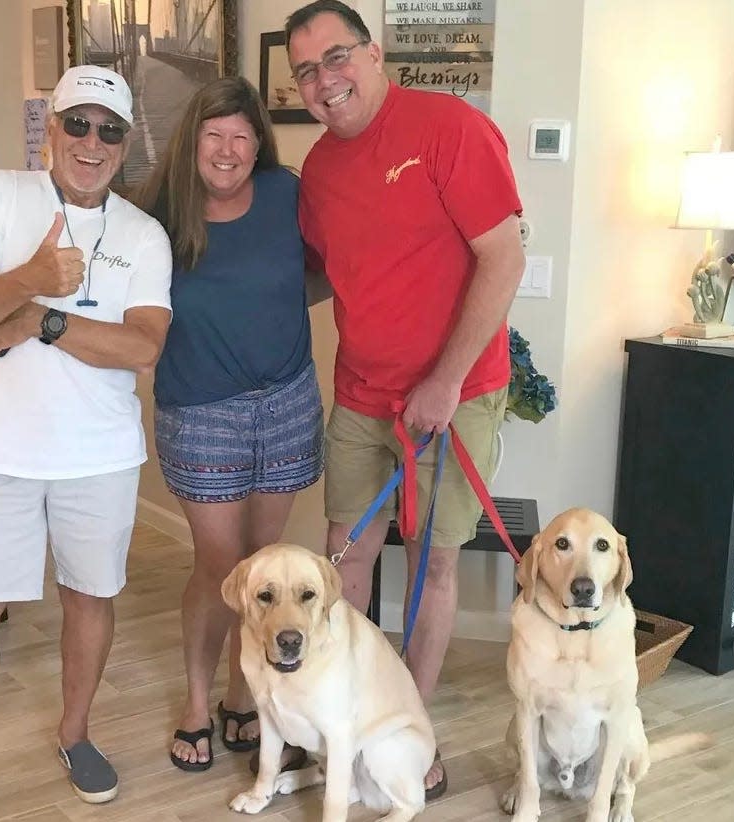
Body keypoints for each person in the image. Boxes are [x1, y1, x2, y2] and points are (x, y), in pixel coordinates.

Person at [0, 65, 173, 822]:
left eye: (110, 130)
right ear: (50, 129)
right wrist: (32, 276)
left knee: (91, 599)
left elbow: (143, 347)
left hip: (101, 455)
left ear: (125, 145)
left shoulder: (144, 234)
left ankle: (75, 735)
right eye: (77, 124)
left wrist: (44, 321)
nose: (92, 142)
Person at [285, 0, 527, 800]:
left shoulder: (449, 128)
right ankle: (340, 718)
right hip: (361, 392)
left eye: (337, 57)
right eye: (307, 71)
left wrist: (446, 380)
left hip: (454, 398)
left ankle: (408, 730)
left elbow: (503, 259)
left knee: (434, 560)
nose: (326, 80)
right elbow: (328, 272)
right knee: (343, 558)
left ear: (374, 52)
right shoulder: (319, 169)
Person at [135, 77, 324, 772]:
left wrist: (273, 307)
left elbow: (326, 270)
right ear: (193, 140)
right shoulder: (154, 210)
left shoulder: (285, 193)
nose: (228, 148)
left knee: (266, 565)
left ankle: (242, 697)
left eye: (242, 135)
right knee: (224, 567)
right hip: (200, 407)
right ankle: (195, 702)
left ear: (258, 144)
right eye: (215, 133)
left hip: (286, 400)